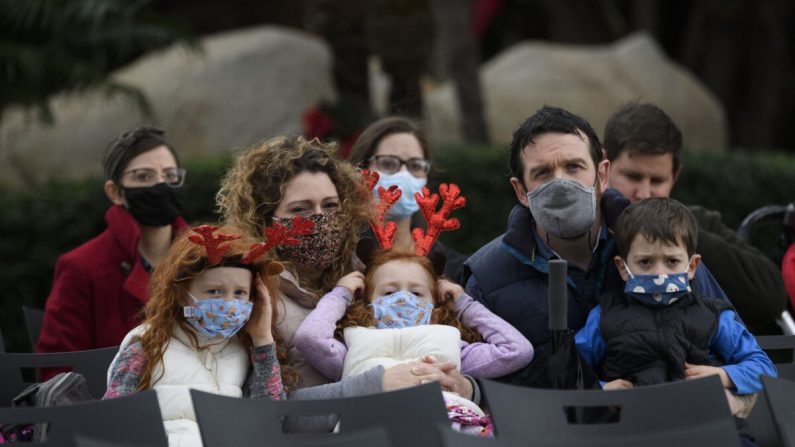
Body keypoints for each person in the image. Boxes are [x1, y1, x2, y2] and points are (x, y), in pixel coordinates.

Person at [103, 224, 477, 443]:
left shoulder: (241, 351)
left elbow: (271, 415)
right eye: (213, 292)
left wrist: (263, 338)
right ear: (182, 290)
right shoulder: (146, 342)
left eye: (239, 294)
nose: (228, 304)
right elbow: (112, 418)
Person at [462, 105, 730, 372]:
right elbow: (471, 381)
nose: (561, 184)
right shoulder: (487, 278)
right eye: (542, 173)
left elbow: (737, 347)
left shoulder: (663, 246)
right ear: (520, 190)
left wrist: (736, 392)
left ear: (602, 175)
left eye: (573, 167)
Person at [216, 136, 475, 392]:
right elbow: (266, 409)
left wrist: (466, 386)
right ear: (266, 221)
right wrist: (371, 386)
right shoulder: (254, 295)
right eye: (300, 210)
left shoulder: (372, 278)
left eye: (330, 205)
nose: (320, 218)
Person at [574, 198, 776, 441]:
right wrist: (602, 389)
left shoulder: (714, 316)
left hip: (708, 430)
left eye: (671, 261)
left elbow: (763, 367)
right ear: (623, 268)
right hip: (631, 432)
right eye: (645, 262)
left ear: (692, 266)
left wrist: (723, 376)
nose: (660, 274)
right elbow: (571, 370)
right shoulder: (605, 316)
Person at [294, 249, 533, 435]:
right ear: (368, 304)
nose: (403, 298)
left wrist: (463, 303)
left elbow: (516, 351)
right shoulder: (352, 347)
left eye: (417, 293)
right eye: (388, 293)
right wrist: (341, 294)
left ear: (435, 308)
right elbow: (309, 338)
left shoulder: (452, 346)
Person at [603, 102, 788, 334]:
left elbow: (770, 298)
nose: (644, 193)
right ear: (604, 167)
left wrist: (676, 232)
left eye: (657, 181)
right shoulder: (588, 227)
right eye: (632, 176)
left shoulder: (698, 222)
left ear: (675, 175)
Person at [37, 126, 188, 362]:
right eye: (143, 176)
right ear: (115, 192)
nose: (160, 184)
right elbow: (58, 369)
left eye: (169, 175)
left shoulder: (206, 256)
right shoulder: (82, 267)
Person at [348, 116, 467, 281]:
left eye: (415, 165)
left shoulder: (453, 269)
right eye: (388, 163)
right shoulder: (341, 259)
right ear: (361, 170)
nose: (404, 174)